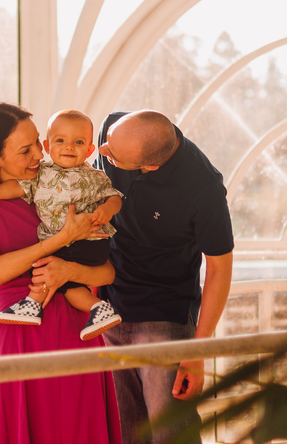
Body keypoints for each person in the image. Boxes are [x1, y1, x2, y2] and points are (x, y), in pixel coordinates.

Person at [0, 102, 122, 444]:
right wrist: (61, 239)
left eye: (39, 144)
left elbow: (106, 274)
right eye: (25, 150)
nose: (38, 155)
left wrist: (68, 269)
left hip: (78, 332)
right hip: (18, 332)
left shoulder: (64, 182)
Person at [72, 109, 234, 444]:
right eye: (107, 142)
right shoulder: (116, 133)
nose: (102, 152)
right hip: (106, 312)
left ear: (149, 167)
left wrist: (196, 353)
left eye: (111, 156)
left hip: (164, 321)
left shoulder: (203, 189)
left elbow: (219, 268)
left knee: (171, 436)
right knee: (125, 436)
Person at [0, 109, 124, 340]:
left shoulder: (94, 176)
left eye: (78, 142)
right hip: (21, 328)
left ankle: (36, 304)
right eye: (60, 141)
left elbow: (114, 198)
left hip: (88, 242)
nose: (38, 154)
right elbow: (18, 187)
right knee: (60, 278)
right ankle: (95, 308)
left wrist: (106, 210)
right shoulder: (42, 175)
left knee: (50, 270)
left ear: (90, 149)